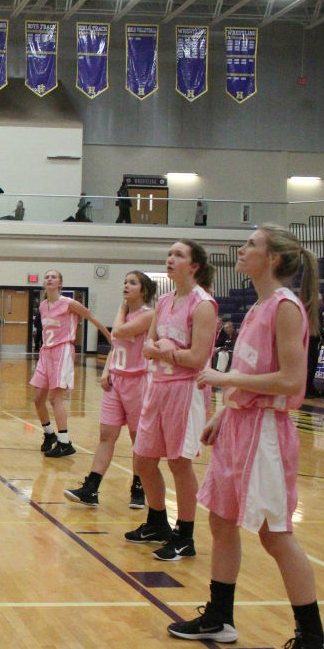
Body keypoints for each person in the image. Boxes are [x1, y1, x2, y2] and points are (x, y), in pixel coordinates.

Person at [169, 224, 324, 649]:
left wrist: (227, 383)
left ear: (274, 259)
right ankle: (220, 616)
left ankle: (314, 640)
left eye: (251, 246)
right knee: (220, 519)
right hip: (240, 425)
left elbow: (291, 382)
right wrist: (225, 413)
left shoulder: (285, 307)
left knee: (274, 533)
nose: (241, 251)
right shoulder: (261, 305)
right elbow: (254, 372)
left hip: (266, 433)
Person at [125, 239, 218, 562]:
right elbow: (147, 344)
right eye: (169, 253)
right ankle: (157, 521)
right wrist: (157, 347)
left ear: (194, 266)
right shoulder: (164, 301)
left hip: (186, 389)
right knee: (143, 459)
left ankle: (185, 535)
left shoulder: (203, 304)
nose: (171, 259)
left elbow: (197, 357)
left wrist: (166, 350)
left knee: (179, 463)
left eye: (179, 255)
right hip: (158, 386)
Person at [64, 271, 156, 509]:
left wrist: (121, 310)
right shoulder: (125, 314)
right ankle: (91, 488)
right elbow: (117, 345)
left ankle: (139, 487)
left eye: (132, 283)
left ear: (143, 291)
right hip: (116, 381)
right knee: (106, 435)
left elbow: (120, 332)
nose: (126, 285)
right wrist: (106, 371)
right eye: (125, 282)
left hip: (139, 381)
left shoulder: (149, 315)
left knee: (138, 439)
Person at [29, 269, 111, 458]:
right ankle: (50, 434)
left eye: (54, 277)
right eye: (47, 276)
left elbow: (91, 317)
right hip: (46, 352)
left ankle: (65, 442)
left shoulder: (69, 304)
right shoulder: (42, 306)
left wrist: (109, 338)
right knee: (38, 398)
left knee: (55, 397)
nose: (49, 279)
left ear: (60, 284)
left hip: (62, 350)